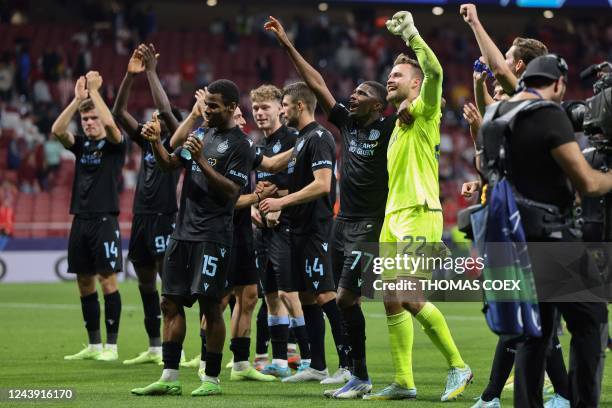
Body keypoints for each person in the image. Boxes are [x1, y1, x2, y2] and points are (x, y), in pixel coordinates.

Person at [265, 15, 396, 398]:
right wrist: (287, 45)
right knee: (344, 299)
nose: (351, 97)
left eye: (360, 94)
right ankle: (357, 373)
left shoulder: (391, 128)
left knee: (343, 298)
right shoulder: (348, 125)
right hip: (342, 222)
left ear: (379, 104)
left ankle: (360, 375)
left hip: (370, 224)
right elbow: (317, 83)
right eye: (351, 93)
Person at [478, 54, 610, 408]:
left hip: (509, 243)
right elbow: (587, 181)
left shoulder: (492, 116)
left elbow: (483, 164)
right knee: (591, 319)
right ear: (557, 84)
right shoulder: (549, 114)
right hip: (550, 239)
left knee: (534, 334)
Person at [365, 12, 472, 401]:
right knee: (392, 298)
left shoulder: (427, 110)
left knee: (409, 295)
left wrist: (411, 35)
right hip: (393, 218)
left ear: (416, 84)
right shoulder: (399, 122)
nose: (390, 77)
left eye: (399, 74)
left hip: (418, 213)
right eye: (389, 73)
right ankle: (404, 381)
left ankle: (459, 366)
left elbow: (436, 72)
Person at [131, 80, 253, 397]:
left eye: (213, 105)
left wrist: (200, 162)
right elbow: (171, 163)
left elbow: (232, 192)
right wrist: (158, 142)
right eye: (205, 104)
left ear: (231, 107)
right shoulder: (201, 133)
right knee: (169, 302)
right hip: (182, 233)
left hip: (213, 236)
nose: (207, 110)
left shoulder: (241, 145)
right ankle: (169, 376)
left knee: (211, 307)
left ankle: (211, 379)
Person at [258, 82, 347, 383]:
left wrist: (281, 201)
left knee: (325, 295)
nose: (281, 110)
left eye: (283, 105)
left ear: (299, 106)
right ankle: (317, 365)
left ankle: (348, 365)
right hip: (298, 229)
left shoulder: (319, 136)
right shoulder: (300, 140)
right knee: (308, 297)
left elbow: (323, 184)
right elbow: (274, 167)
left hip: (316, 230)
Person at [112, 44, 183, 366]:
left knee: (167, 286)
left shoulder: (179, 143)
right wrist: (130, 76)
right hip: (140, 217)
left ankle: (175, 349)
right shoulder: (145, 140)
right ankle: (155, 346)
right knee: (143, 284)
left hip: (165, 216)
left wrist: (152, 72)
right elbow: (117, 114)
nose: (154, 118)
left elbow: (166, 110)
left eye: (159, 117)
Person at [52, 71, 125, 362]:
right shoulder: (81, 145)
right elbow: (57, 129)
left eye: (92, 118)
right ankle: (94, 345)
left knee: (107, 279)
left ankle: (112, 346)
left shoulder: (114, 145)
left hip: (105, 219)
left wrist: (95, 92)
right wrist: (76, 101)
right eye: (85, 120)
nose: (90, 123)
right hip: (80, 219)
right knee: (84, 281)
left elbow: (110, 123)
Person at [249, 84, 310, 378]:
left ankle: (309, 359)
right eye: (256, 109)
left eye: (266, 108)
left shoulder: (294, 139)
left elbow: (305, 183)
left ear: (280, 109)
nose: (260, 113)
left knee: (290, 293)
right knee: (271, 295)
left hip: (287, 225)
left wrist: (279, 203)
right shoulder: (257, 145)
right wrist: (253, 207)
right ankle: (281, 362)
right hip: (262, 228)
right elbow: (256, 186)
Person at [459, 3, 548, 101]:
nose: (503, 62)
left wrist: (474, 22)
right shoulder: (523, 97)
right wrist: (479, 84)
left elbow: (499, 70)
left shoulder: (532, 94)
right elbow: (488, 111)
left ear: (519, 65)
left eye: (507, 58)